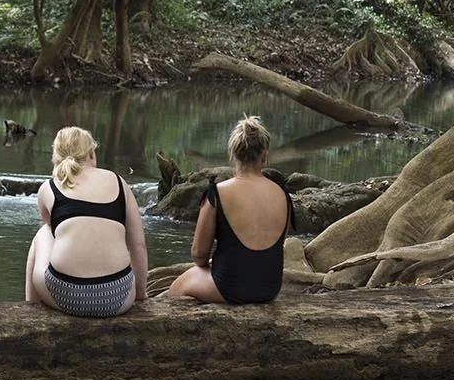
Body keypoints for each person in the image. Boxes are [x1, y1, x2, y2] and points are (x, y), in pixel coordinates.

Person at [168, 116, 295, 303]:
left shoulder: (218, 193)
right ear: (265, 155)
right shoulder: (283, 195)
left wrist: (209, 267)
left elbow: (199, 254)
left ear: (233, 154)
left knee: (177, 288)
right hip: (270, 288)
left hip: (231, 288)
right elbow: (277, 246)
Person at [26, 127, 149, 317]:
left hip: (64, 295)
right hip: (118, 297)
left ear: (56, 156)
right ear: (91, 153)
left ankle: (30, 309)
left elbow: (53, 229)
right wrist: (139, 293)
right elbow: (138, 244)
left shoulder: (48, 188)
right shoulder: (118, 182)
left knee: (44, 232)